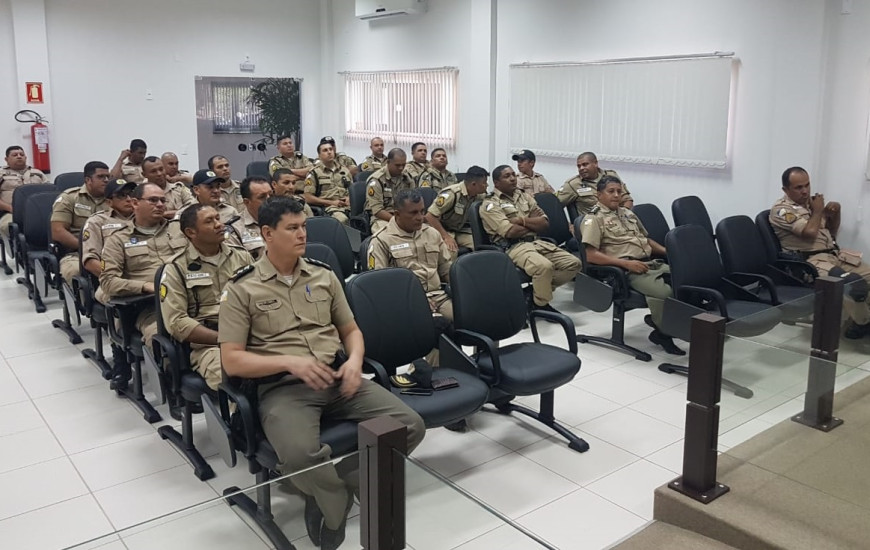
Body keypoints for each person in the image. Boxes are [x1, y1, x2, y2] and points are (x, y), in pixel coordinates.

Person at [219, 196, 425, 550]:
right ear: (267, 233)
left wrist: (355, 360)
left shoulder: (323, 274)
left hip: (337, 377)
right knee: (300, 456)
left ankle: (340, 480)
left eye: (304, 227)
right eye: (293, 228)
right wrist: (289, 362)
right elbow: (233, 361)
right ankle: (333, 503)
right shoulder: (242, 287)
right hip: (284, 389)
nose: (303, 235)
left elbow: (351, 331)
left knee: (410, 425)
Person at [580, 176, 684, 354]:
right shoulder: (593, 218)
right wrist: (625, 264)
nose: (616, 195)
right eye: (611, 191)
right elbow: (590, 255)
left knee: (685, 281)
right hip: (624, 270)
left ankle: (665, 324)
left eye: (619, 191)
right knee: (665, 293)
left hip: (650, 263)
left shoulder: (628, 214)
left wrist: (669, 252)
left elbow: (647, 240)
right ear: (599, 195)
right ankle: (663, 333)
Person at [160, 204, 253, 391]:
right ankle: (237, 419)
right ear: (191, 232)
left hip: (251, 334)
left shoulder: (242, 256)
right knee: (236, 379)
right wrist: (224, 339)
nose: (219, 224)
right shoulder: (176, 268)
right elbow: (177, 322)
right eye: (209, 221)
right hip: (209, 344)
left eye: (218, 218)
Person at [771, 167, 870, 338]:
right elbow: (809, 233)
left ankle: (857, 321)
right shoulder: (782, 210)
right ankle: (863, 323)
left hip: (832, 255)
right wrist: (818, 211)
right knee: (851, 283)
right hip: (808, 262)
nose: (805, 191)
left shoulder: (812, 204)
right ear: (785, 190)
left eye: (807, 185)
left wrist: (835, 213)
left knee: (866, 276)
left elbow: (831, 233)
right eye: (798, 187)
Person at [480, 165, 582, 313]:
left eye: (513, 175)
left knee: (574, 264)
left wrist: (521, 221)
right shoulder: (490, 204)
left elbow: (545, 223)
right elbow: (510, 231)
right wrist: (533, 224)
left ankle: (532, 294)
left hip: (535, 242)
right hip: (513, 247)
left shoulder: (524, 196)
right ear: (496, 182)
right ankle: (541, 305)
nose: (513, 178)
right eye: (507, 176)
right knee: (544, 267)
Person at [100, 182, 187, 351]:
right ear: (135, 203)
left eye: (163, 200)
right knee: (162, 340)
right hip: (153, 309)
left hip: (193, 299)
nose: (160, 205)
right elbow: (108, 282)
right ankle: (169, 376)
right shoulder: (118, 239)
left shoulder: (180, 229)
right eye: (153, 200)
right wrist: (146, 286)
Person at [368, 188, 453, 353]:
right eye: (413, 213)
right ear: (397, 214)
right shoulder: (381, 240)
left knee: (476, 317)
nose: (420, 217)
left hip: (438, 296)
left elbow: (447, 270)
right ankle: (428, 374)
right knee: (437, 328)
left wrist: (463, 293)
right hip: (405, 303)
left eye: (422, 211)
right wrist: (416, 302)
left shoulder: (431, 233)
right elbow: (379, 286)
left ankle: (479, 367)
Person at [50, 161, 111, 284]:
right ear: (88, 180)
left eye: (107, 177)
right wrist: (87, 248)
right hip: (76, 253)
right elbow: (58, 231)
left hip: (111, 251)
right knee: (74, 272)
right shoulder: (69, 197)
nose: (106, 180)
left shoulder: (114, 199)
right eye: (100, 177)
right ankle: (82, 302)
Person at [425, 165, 489, 255]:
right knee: (451, 251)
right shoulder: (452, 193)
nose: (487, 185)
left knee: (480, 247)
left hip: (460, 230)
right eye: (484, 183)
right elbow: (430, 216)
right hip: (443, 229)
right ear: (474, 184)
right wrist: (446, 237)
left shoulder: (479, 195)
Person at [81, 179, 135, 282]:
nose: (129, 199)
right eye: (121, 196)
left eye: (131, 194)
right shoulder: (97, 221)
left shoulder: (144, 218)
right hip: (112, 279)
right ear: (109, 202)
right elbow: (90, 262)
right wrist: (116, 278)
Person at [178, 169, 246, 246]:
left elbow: (244, 239)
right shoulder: (184, 214)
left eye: (218, 186)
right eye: (210, 187)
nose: (216, 191)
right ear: (196, 190)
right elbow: (179, 247)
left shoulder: (230, 211)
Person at [1, 145, 49, 240]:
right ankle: (18, 250)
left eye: (21, 154)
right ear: (6, 159)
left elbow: (49, 192)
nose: (19, 156)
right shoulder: (1, 173)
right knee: (7, 226)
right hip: (10, 213)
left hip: (39, 212)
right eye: (15, 155)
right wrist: (11, 208)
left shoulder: (38, 173)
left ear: (26, 157)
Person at [558, 152, 633, 211]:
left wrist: (624, 216)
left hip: (616, 221)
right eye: (579, 166)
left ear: (595, 163)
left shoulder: (611, 175)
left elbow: (627, 199)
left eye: (585, 164)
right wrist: (568, 226)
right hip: (593, 224)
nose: (581, 168)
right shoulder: (573, 184)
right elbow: (554, 207)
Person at [365, 148, 417, 233]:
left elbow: (412, 202)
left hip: (403, 216)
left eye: (403, 165)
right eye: (397, 165)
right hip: (382, 218)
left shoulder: (407, 178)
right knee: (390, 235)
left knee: (424, 232)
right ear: (388, 162)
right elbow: (377, 211)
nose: (401, 168)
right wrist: (397, 221)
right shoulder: (376, 180)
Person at [304, 141, 353, 224]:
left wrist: (349, 198)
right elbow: (308, 197)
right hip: (330, 207)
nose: (329, 152)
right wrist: (332, 202)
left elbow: (352, 189)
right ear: (319, 156)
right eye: (325, 150)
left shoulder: (344, 170)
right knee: (342, 219)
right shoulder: (314, 173)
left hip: (348, 205)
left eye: (331, 149)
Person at [238, 176, 273, 259]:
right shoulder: (236, 228)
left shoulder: (283, 221)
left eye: (271, 195)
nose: (269, 200)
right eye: (262, 197)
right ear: (247, 202)